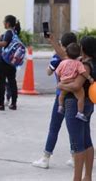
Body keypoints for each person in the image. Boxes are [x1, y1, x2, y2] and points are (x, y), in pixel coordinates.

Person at [32, 32, 78, 169]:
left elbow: (48, 72)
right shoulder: (79, 58)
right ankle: (75, 156)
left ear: (63, 46)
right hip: (76, 95)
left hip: (61, 96)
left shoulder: (58, 57)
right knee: (73, 128)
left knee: (54, 127)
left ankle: (46, 157)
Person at [58, 36, 96, 181]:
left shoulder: (85, 65)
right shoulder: (91, 63)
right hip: (88, 103)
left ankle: (77, 178)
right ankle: (87, 177)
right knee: (86, 140)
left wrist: (61, 86)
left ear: (84, 49)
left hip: (75, 104)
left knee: (77, 144)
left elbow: (76, 86)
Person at [0, 15, 20, 110]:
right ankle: (14, 103)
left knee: (1, 83)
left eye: (4, 21)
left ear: (8, 23)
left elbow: (3, 43)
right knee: (12, 82)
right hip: (11, 62)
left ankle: (1, 104)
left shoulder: (9, 33)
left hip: (3, 62)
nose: (3, 23)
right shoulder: (14, 33)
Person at [57, 43, 93, 121]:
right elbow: (83, 72)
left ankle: (60, 106)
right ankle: (80, 112)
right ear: (79, 53)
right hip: (73, 82)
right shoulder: (79, 64)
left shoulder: (63, 62)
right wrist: (89, 78)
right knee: (81, 97)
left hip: (64, 82)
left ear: (66, 53)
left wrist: (61, 78)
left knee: (61, 95)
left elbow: (57, 72)